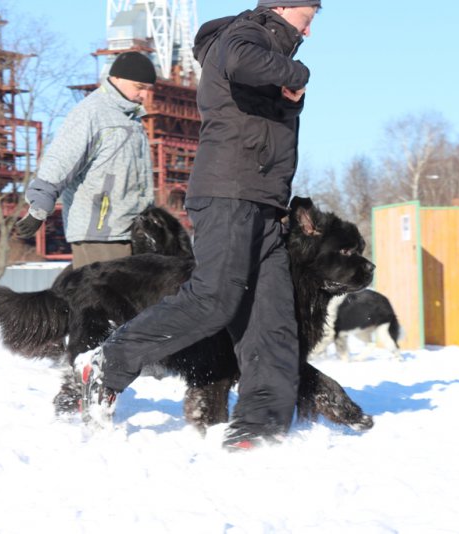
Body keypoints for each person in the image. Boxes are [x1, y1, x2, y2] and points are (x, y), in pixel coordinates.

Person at [77, 0, 322, 450]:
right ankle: (111, 360)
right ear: (285, 7)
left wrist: (290, 98)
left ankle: (260, 423)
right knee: (214, 298)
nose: (309, 33)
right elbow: (238, 59)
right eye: (308, 20)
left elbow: (262, 125)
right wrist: (297, 75)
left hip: (265, 201)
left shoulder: (267, 51)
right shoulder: (245, 34)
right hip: (229, 194)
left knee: (271, 317)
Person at [15, 51, 157, 269]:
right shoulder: (92, 113)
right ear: (116, 78)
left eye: (148, 89)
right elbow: (61, 159)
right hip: (99, 235)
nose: (145, 95)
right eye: (139, 87)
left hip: (132, 232)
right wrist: (38, 208)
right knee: (99, 302)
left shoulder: (131, 120)